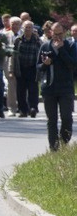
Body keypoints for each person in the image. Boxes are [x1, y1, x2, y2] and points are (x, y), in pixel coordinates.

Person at [37, 23, 77, 151]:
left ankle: (64, 142)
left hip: (65, 88)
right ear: (51, 32)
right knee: (51, 120)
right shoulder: (45, 46)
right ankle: (53, 148)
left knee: (66, 117)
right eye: (55, 34)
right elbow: (38, 67)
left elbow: (72, 65)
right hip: (48, 88)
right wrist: (44, 64)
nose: (57, 37)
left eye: (60, 34)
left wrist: (61, 49)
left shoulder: (71, 45)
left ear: (65, 33)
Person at [12, 20, 41, 117]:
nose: (27, 29)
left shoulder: (37, 40)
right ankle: (22, 110)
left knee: (33, 89)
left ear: (33, 29)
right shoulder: (18, 40)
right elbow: (13, 55)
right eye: (26, 27)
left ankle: (33, 108)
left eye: (30, 27)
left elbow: (41, 53)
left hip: (33, 68)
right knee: (20, 90)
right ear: (22, 28)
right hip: (21, 68)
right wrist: (12, 69)